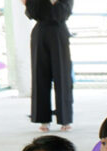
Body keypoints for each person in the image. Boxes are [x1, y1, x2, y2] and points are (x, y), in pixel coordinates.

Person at [25, 0, 74, 131]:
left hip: (59, 32)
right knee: (40, 76)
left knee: (62, 76)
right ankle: (43, 119)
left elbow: (63, 14)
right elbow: (32, 12)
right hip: (40, 33)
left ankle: (65, 119)